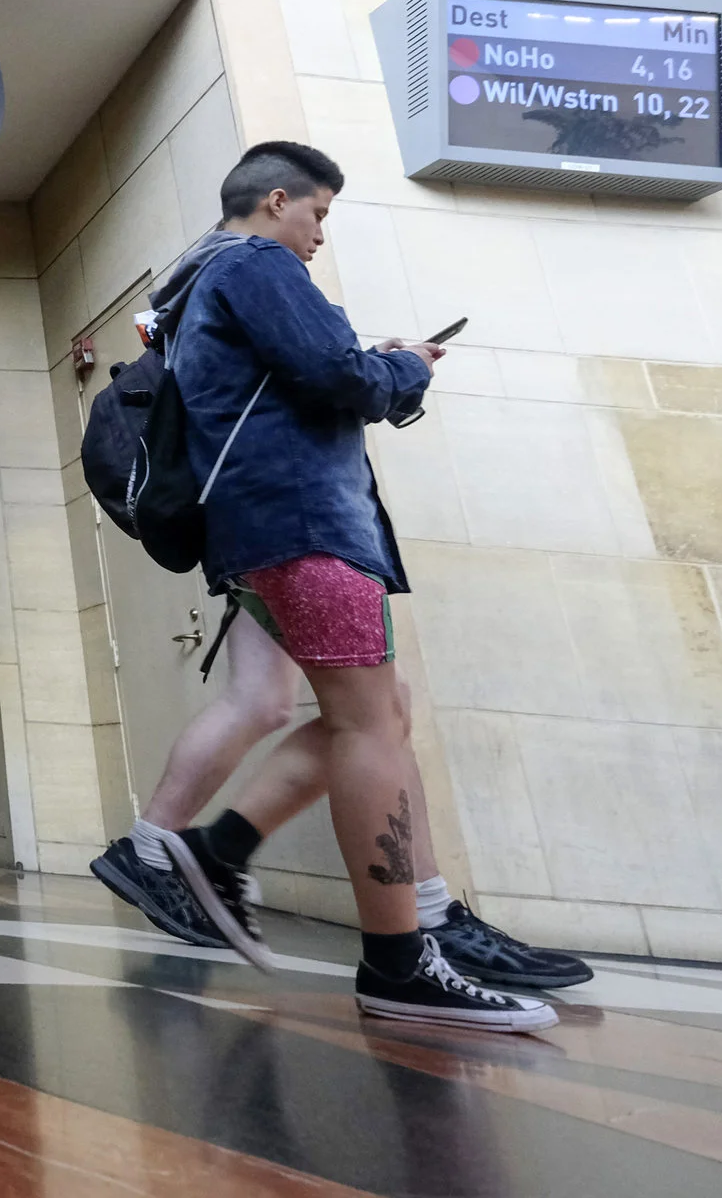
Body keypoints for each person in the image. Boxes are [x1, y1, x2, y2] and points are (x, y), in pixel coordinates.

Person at [142, 142, 557, 1032]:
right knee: (369, 723)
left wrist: (378, 366)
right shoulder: (256, 263)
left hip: (270, 528)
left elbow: (311, 377)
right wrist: (408, 368)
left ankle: (222, 850)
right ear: (277, 200)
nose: (320, 234)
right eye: (318, 213)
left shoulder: (197, 284)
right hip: (304, 524)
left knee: (379, 710)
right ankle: (397, 961)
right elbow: (338, 378)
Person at [92, 481, 589, 991]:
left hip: (264, 525)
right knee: (377, 709)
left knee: (270, 700)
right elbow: (331, 423)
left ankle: (187, 848)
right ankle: (220, 851)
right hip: (299, 522)